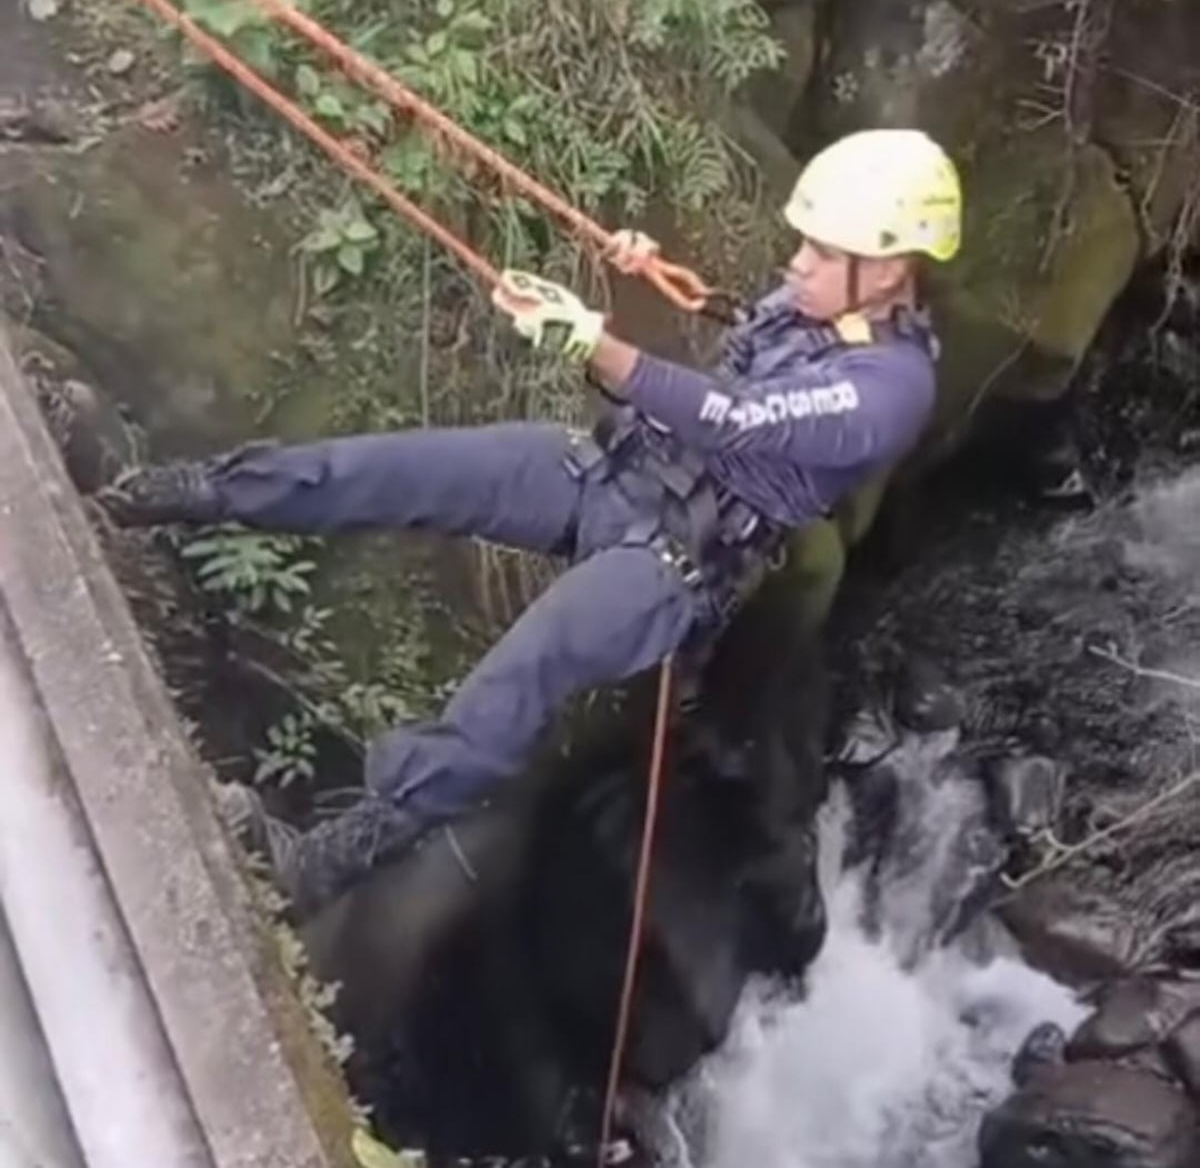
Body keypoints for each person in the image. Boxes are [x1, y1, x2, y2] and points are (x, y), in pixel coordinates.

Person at [100, 128, 962, 916]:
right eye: (804, 243)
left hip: (672, 563)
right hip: (609, 470)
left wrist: (591, 339)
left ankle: (313, 867)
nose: (797, 263)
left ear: (889, 269)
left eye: (822, 251)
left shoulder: (891, 391)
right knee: (388, 469)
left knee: (518, 680)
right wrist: (651, 269)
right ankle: (148, 492)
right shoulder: (817, 307)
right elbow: (742, 339)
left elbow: (736, 420)